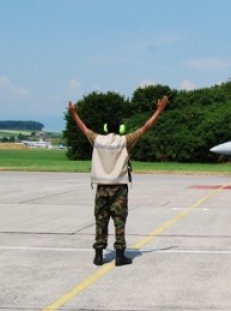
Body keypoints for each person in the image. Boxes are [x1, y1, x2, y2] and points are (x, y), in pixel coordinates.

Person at [68, 95, 169, 266]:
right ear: (121, 128)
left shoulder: (98, 140)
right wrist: (159, 110)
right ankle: (120, 256)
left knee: (101, 220)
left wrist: (73, 113)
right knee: (119, 221)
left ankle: (99, 255)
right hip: (119, 189)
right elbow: (145, 128)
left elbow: (83, 128)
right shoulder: (125, 140)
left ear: (106, 128)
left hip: (101, 187)